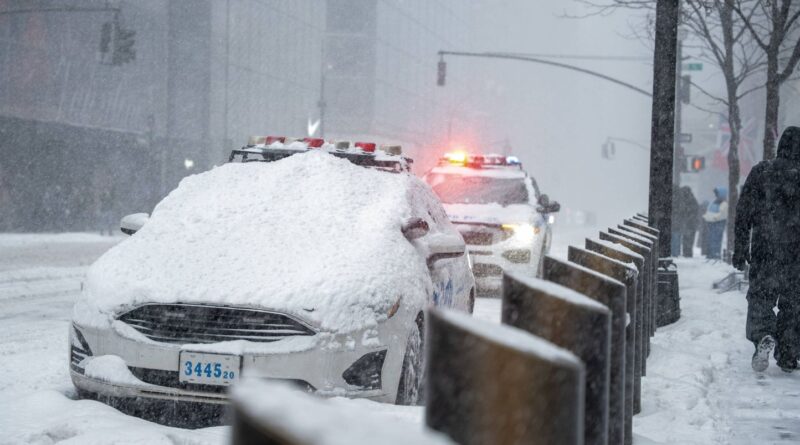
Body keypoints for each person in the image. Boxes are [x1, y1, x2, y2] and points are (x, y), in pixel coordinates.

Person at [734, 126, 800, 373]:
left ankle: (762, 335)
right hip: (797, 254)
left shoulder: (762, 171)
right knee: (794, 303)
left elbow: (744, 212)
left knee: (761, 296)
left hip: (766, 249)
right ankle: (789, 353)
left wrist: (740, 247)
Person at [703, 187, 728, 259]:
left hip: (718, 223)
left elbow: (722, 214)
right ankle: (711, 254)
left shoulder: (724, 203)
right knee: (711, 238)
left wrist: (713, 217)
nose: (716, 195)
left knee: (716, 239)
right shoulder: (714, 201)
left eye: (717, 194)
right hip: (711, 223)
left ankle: (715, 254)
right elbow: (708, 211)